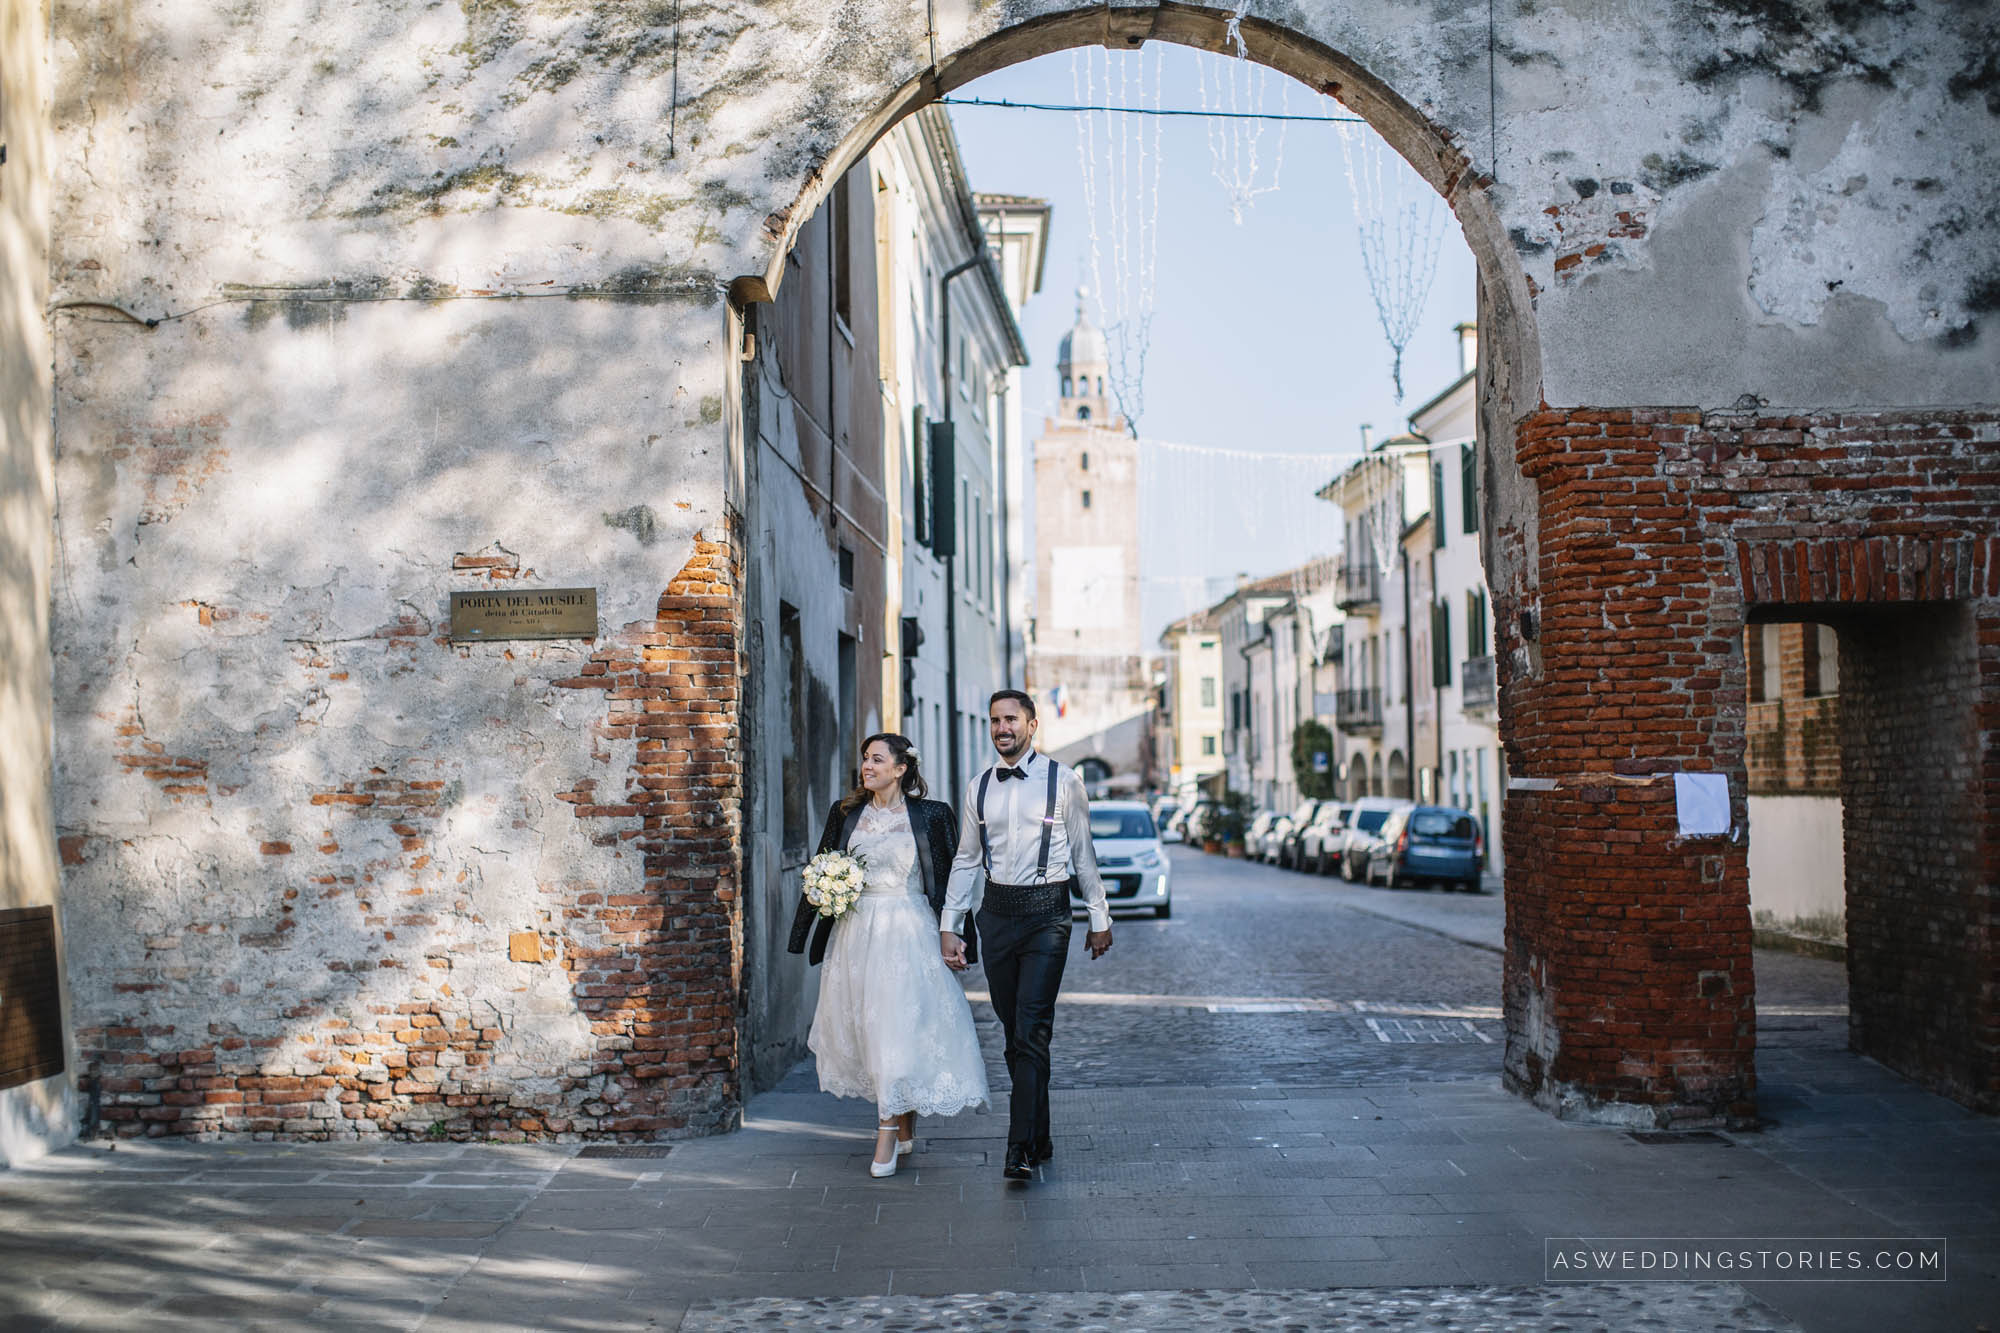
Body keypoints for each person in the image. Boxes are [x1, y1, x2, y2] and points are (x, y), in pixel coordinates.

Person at [787, 733, 988, 1178]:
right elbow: (822, 864)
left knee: (899, 1025)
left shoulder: (933, 815)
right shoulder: (844, 814)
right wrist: (805, 927)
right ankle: (902, 1118)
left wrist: (957, 933)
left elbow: (953, 880)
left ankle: (886, 1130)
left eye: (877, 760)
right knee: (870, 1027)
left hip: (910, 932)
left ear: (901, 768)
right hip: (856, 935)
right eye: (864, 759)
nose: (867, 766)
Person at [940, 689, 1112, 1182]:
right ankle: (1039, 1131)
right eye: (995, 720)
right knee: (1015, 1036)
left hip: (1047, 915)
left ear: (1032, 725)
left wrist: (1099, 916)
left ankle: (1018, 1149)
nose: (1002, 728)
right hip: (996, 915)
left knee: (1033, 1028)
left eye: (1011, 719)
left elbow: (1083, 855)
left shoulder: (1066, 781)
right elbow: (967, 860)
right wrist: (950, 924)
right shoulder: (978, 787)